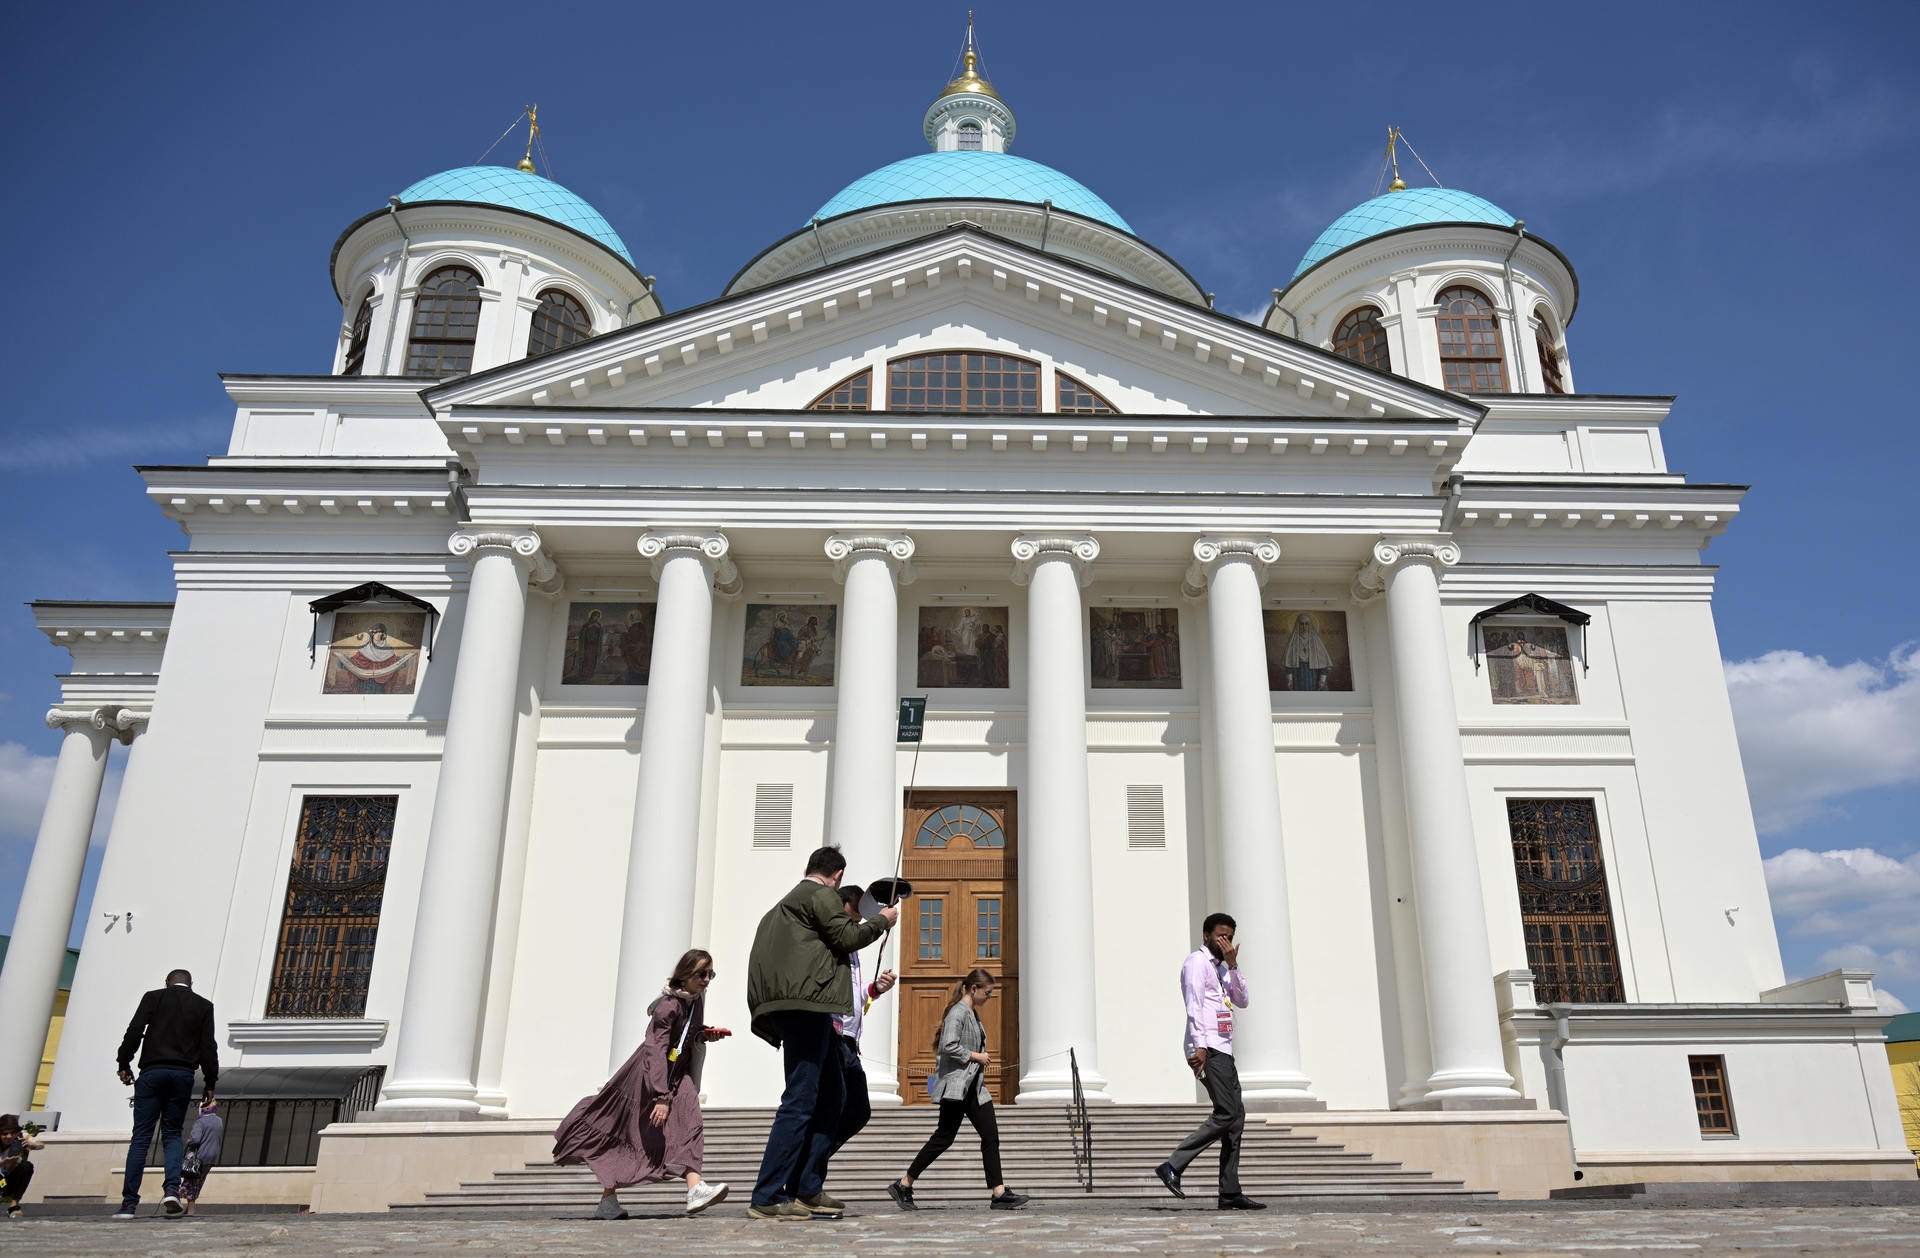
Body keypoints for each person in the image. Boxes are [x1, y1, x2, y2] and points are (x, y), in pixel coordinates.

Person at [745, 846, 898, 1221]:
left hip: (799, 1008)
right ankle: (767, 1195)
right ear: (838, 875)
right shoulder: (821, 894)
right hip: (807, 1009)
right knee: (800, 1100)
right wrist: (882, 921)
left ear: (807, 868)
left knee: (835, 1097)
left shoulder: (780, 908)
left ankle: (807, 1187)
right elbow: (847, 937)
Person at [554, 949, 733, 1218]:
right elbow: (655, 1050)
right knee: (626, 1134)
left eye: (711, 974)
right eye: (701, 974)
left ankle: (695, 1189)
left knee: (692, 1120)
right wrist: (660, 1095)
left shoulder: (696, 1000)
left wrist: (705, 1033)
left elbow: (684, 1034)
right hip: (650, 1075)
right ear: (685, 975)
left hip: (678, 1072)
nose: (707, 980)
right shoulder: (667, 1005)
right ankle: (607, 1202)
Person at [886, 969, 1028, 1211]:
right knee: (943, 1137)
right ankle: (904, 1184)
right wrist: (977, 1056)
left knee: (990, 1136)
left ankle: (999, 1193)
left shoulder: (971, 1012)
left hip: (974, 1087)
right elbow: (948, 1045)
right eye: (987, 993)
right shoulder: (958, 1012)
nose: (989, 997)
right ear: (974, 988)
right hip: (956, 1087)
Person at [793, 883, 897, 1203]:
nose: (855, 924)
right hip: (833, 1037)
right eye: (853, 917)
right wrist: (880, 921)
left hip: (850, 1042)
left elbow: (851, 992)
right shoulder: (831, 937)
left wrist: (874, 989)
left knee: (857, 1111)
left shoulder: (848, 946)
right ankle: (808, 1183)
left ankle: (805, 1169)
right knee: (830, 1109)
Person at [1155, 914, 1265, 1210]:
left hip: (1224, 1049)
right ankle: (1173, 1166)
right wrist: (1200, 1045)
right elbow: (1193, 1005)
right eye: (1220, 936)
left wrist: (1234, 966)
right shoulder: (1196, 962)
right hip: (1207, 1048)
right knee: (1227, 1112)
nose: (1225, 941)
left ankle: (1229, 1192)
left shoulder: (1222, 970)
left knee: (1236, 1117)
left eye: (1230, 937)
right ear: (1206, 935)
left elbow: (1242, 1001)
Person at [114, 968, 218, 1219]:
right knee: (172, 1134)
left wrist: (124, 1062)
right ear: (191, 984)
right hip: (183, 1075)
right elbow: (208, 1046)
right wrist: (210, 1082)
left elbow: (135, 1029)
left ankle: (129, 1203)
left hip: (152, 1072)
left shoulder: (154, 997)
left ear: (167, 982)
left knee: (141, 1137)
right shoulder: (204, 1005)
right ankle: (172, 1189)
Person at [178, 1101, 223, 1215]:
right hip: (211, 1156)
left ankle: (190, 1210)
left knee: (191, 1181)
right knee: (199, 1181)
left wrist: (189, 1141)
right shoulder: (219, 1121)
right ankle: (188, 1209)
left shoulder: (200, 1122)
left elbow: (196, 1139)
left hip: (199, 1157)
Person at [1, 1114, 44, 1219]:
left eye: (12, 1133)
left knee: (26, 1166)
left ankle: (14, 1206)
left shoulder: (21, 1135)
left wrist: (31, 1144)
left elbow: (41, 1144)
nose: (9, 1137)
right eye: (4, 1134)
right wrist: (3, 1162)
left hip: (8, 1180)